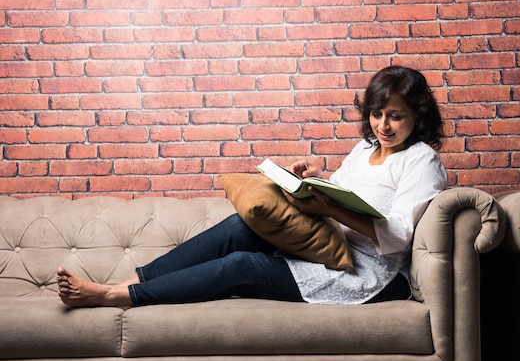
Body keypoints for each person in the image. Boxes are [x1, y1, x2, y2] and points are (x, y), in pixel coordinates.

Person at [57, 65, 448, 307]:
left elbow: (401, 235)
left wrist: (330, 208)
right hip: (330, 243)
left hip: (370, 274)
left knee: (241, 265)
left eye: (395, 117)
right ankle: (126, 283)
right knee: (240, 228)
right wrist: (316, 179)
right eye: (377, 115)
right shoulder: (365, 149)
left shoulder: (422, 161)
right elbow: (347, 190)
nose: (383, 126)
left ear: (420, 113)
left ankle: (114, 297)